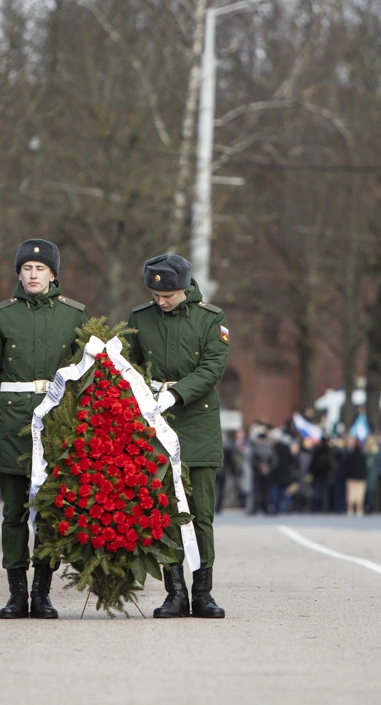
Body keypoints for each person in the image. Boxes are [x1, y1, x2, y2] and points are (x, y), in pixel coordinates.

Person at [0, 239, 87, 619]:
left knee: (51, 511)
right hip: (10, 425)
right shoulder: (1, 315)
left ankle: (43, 593)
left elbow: (86, 378)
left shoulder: (74, 316)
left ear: (53, 274)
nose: (33, 275)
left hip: (56, 425)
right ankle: (16, 594)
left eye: (40, 269)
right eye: (27, 269)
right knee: (14, 512)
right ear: (18, 273)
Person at [128, 253, 229, 619]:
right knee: (166, 510)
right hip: (157, 422)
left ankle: (203, 592)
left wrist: (177, 392)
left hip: (197, 420)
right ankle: (175, 592)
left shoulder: (210, 318)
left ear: (184, 288)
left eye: (168, 295)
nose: (161, 301)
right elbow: (131, 365)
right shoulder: (140, 319)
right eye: (156, 296)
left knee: (200, 513)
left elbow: (213, 366)